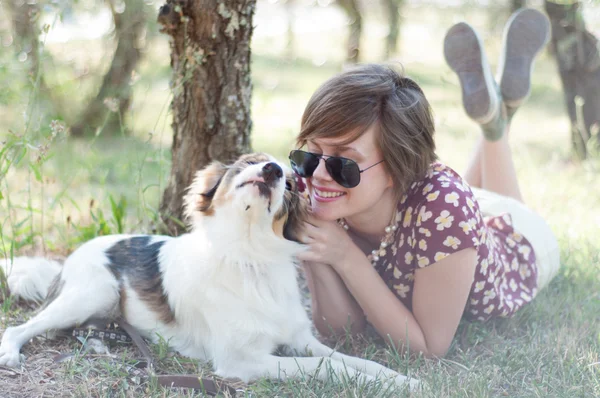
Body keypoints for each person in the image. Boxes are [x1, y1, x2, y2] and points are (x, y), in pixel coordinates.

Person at [289, 8, 561, 358]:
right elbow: (344, 335)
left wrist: (344, 254)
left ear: (395, 167)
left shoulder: (445, 207)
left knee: (488, 204)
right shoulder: (307, 185)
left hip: (521, 242)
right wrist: (318, 251)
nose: (319, 176)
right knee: (465, 202)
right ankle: (496, 118)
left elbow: (428, 349)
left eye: (345, 163)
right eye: (309, 154)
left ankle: (496, 125)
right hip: (444, 214)